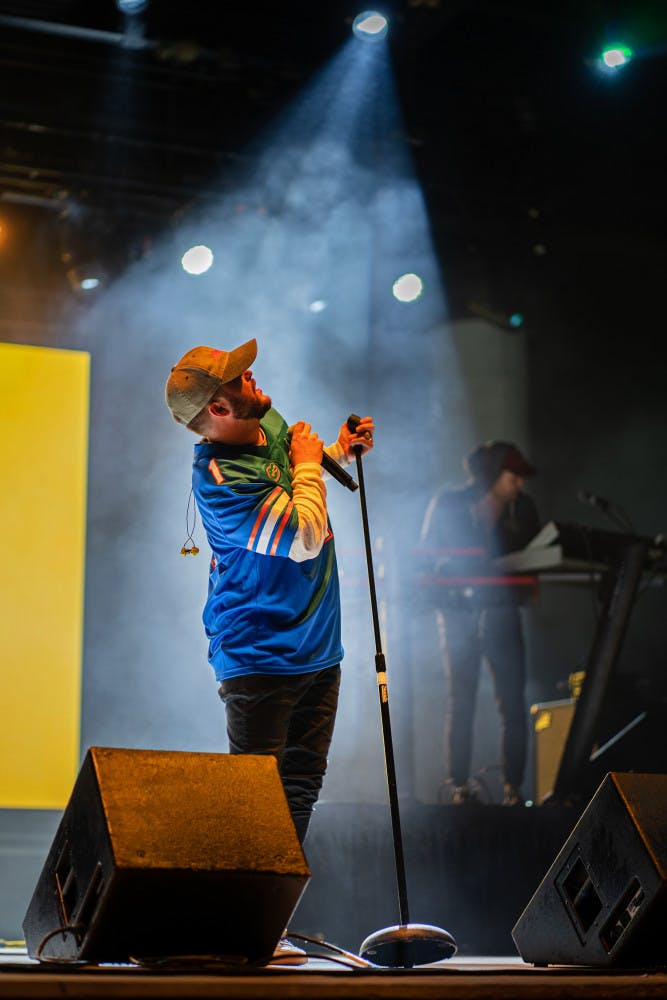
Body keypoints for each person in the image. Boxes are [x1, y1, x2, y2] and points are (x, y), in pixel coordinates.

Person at [164, 338, 374, 958]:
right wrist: (312, 463)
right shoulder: (221, 480)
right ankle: (229, 924)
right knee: (254, 796)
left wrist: (335, 451)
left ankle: (260, 923)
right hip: (259, 653)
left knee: (300, 786)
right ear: (218, 411)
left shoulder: (265, 421)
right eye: (237, 378)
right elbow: (303, 535)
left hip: (317, 644)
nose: (250, 375)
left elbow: (298, 475)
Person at [420, 440, 540, 806]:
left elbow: (536, 556)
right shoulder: (450, 503)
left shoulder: (524, 508)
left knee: (514, 702)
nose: (519, 483)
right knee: (462, 701)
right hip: (458, 614)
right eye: (513, 476)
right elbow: (428, 555)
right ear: (492, 475)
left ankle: (514, 789)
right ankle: (459, 786)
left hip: (503, 611)